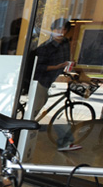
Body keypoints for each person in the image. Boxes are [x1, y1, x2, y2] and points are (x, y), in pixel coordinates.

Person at [33, 18, 81, 152]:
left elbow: (65, 61)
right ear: (52, 30)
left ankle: (66, 142)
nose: (61, 32)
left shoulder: (65, 43)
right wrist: (57, 66)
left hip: (50, 82)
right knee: (43, 112)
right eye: (58, 29)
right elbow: (38, 67)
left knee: (47, 111)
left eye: (64, 30)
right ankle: (65, 142)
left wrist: (68, 67)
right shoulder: (45, 47)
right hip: (40, 82)